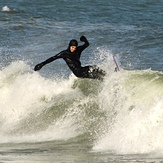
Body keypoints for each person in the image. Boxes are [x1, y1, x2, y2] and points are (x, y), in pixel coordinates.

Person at [34, 36, 106, 80]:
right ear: (69, 46)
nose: (73, 49)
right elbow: (53, 58)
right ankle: (106, 75)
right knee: (92, 68)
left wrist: (84, 39)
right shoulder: (64, 53)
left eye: (75, 47)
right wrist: (42, 64)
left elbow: (86, 44)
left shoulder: (78, 50)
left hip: (81, 71)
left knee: (97, 76)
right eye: (72, 47)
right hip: (78, 72)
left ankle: (107, 78)